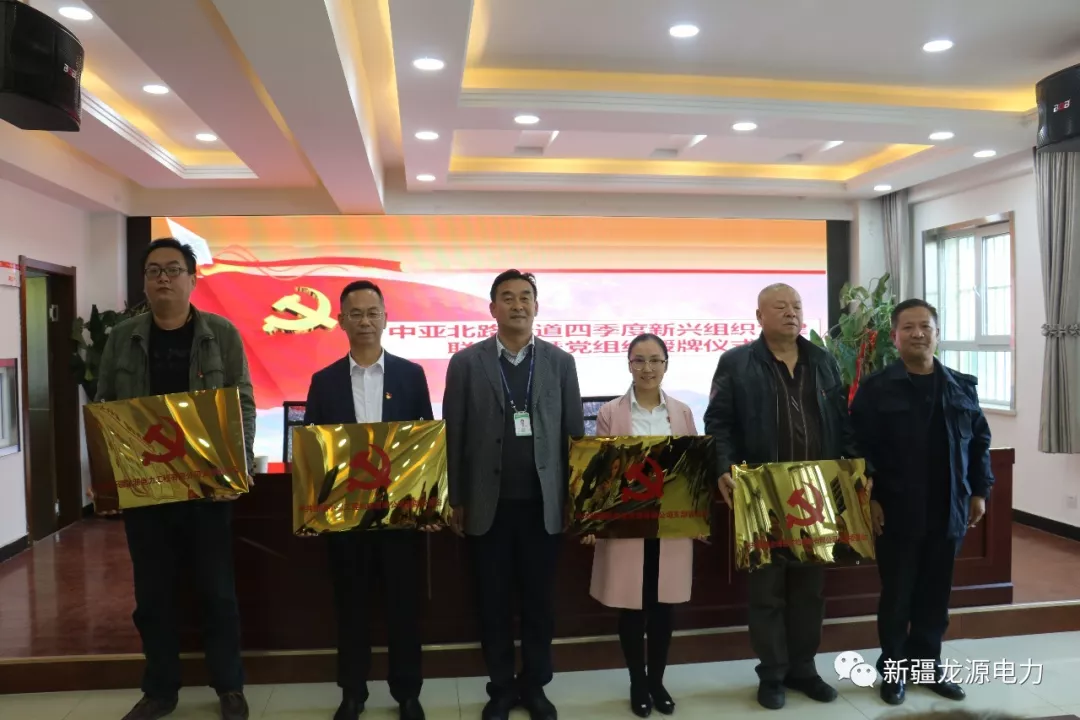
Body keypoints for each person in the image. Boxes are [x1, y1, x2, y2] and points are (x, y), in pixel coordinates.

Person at [95, 237, 255, 720]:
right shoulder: (123, 338)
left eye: (172, 269)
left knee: (217, 594)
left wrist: (238, 467)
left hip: (207, 489)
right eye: (153, 271)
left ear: (192, 278)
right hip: (145, 491)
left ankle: (229, 687)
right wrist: (107, 478)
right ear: (145, 281)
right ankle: (160, 691)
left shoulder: (220, 334)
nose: (162, 278)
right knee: (152, 597)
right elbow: (105, 407)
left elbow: (242, 403)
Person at [703, 283, 857, 710]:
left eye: (797, 306)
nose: (791, 312)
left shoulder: (822, 361)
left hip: (814, 491)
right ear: (760, 316)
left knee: (810, 589)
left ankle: (803, 669)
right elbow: (718, 423)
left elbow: (842, 422)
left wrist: (852, 474)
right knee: (766, 590)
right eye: (780, 306)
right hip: (761, 492)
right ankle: (771, 673)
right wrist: (723, 467)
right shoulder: (737, 363)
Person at [443, 270, 585, 720]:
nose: (517, 304)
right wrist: (455, 497)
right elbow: (454, 434)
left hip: (544, 507)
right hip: (488, 507)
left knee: (540, 603)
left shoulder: (561, 362)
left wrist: (575, 498)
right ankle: (502, 688)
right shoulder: (466, 363)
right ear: (492, 308)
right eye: (507, 297)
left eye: (525, 297)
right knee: (493, 603)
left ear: (537, 307)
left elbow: (573, 436)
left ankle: (535, 685)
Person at [850, 299, 993, 706]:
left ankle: (927, 667)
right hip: (896, 509)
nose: (918, 334)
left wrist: (979, 491)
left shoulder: (960, 386)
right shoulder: (877, 388)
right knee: (898, 595)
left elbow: (979, 442)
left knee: (935, 595)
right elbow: (858, 447)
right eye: (908, 327)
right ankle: (894, 670)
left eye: (925, 326)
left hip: (949, 508)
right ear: (895, 337)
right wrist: (870, 499)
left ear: (937, 333)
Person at [303, 280, 436, 720]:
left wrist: (429, 504)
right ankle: (352, 693)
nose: (365, 321)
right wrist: (313, 510)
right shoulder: (323, 382)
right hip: (345, 518)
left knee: (404, 607)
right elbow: (313, 451)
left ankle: (407, 692)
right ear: (341, 321)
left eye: (372, 312)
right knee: (350, 608)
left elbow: (425, 445)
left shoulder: (411, 376)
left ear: (385, 318)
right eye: (356, 313)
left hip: (400, 516)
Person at [582, 334, 697, 718]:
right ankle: (637, 683)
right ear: (629, 364)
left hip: (670, 523)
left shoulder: (681, 412)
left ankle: (657, 682)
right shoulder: (610, 413)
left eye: (655, 360)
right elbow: (601, 473)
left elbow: (692, 469)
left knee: (664, 606)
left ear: (666, 364)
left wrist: (696, 516)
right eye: (639, 360)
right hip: (626, 523)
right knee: (632, 605)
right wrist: (595, 521)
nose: (647, 368)